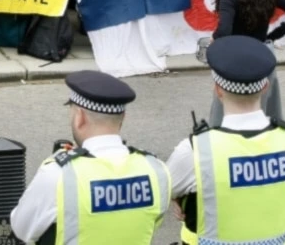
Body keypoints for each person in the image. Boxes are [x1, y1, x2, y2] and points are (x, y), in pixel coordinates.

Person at [168, 36, 285, 245]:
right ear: (265, 87)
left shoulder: (196, 151)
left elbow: (164, 190)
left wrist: (177, 199)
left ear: (218, 89)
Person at [10, 71, 170, 245]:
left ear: (79, 117)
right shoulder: (156, 170)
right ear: (123, 118)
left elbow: (21, 228)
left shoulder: (58, 175)